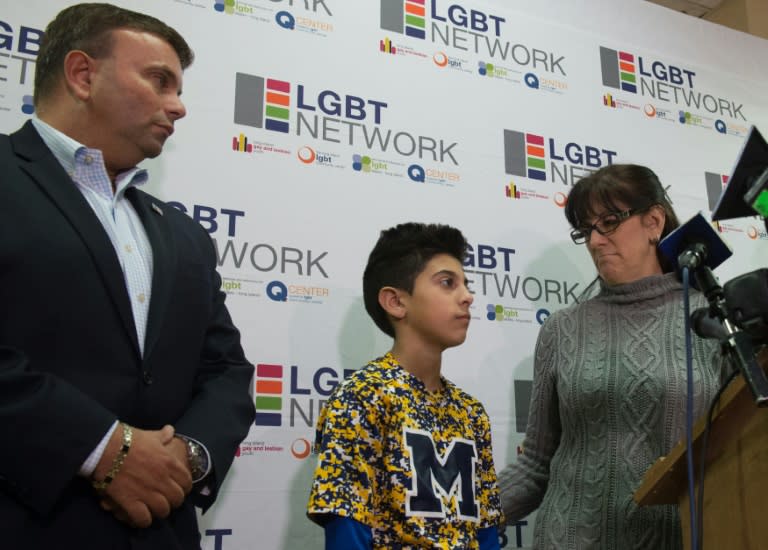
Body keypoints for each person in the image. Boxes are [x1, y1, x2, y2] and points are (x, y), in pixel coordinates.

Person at [0, 4, 255, 548]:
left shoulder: (183, 235)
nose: (179, 107)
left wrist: (185, 458)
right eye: (159, 80)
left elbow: (226, 371)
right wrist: (100, 447)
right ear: (82, 75)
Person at [497, 164, 722, 549]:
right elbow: (535, 465)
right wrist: (454, 516)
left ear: (654, 220)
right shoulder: (563, 328)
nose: (595, 241)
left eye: (609, 222)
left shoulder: (714, 321)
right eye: (586, 229)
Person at [307, 222, 504, 549]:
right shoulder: (362, 397)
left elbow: (485, 530)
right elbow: (347, 525)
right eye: (447, 283)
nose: (467, 296)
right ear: (396, 302)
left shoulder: (471, 412)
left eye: (465, 284)